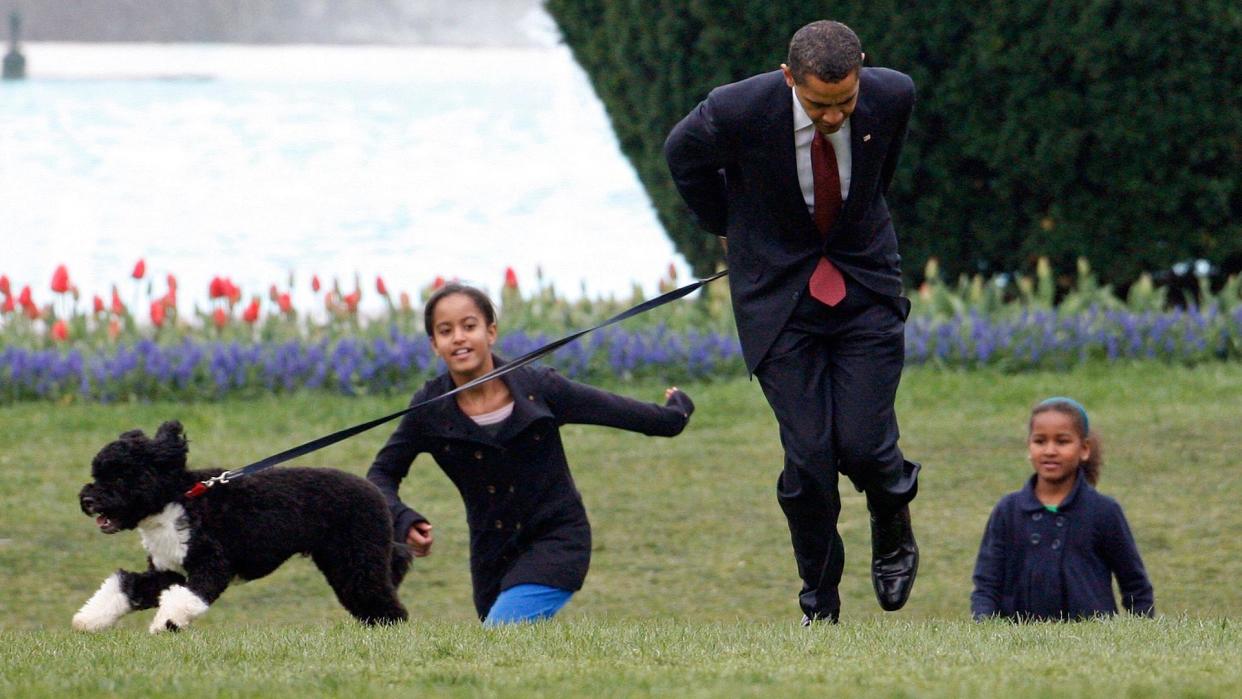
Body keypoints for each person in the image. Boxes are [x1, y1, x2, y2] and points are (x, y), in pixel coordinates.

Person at [663, 19, 920, 623]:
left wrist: (849, 230)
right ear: (788, 79)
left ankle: (891, 513)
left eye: (845, 102)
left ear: (862, 67)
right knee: (808, 458)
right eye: (818, 104)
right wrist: (730, 224)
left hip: (863, 284)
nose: (834, 118)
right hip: (778, 297)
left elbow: (877, 178)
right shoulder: (736, 110)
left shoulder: (893, 94)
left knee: (863, 443)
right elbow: (682, 155)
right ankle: (819, 599)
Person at [366, 283, 695, 625]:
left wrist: (676, 412)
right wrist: (403, 519)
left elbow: (624, 412)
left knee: (502, 633)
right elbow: (380, 476)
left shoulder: (541, 387)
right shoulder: (428, 409)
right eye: (445, 331)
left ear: (491, 332)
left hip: (557, 539)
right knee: (510, 654)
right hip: (491, 554)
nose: (459, 338)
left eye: (469, 326)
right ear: (435, 345)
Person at [970, 397, 1155, 621]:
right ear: (1029, 446)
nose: (1050, 451)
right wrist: (985, 627)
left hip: (1094, 645)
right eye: (1040, 441)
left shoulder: (1104, 511)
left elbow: (1135, 586)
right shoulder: (1008, 511)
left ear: (1084, 449)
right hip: (1018, 646)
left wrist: (1139, 635)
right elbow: (987, 584)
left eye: (1062, 441)